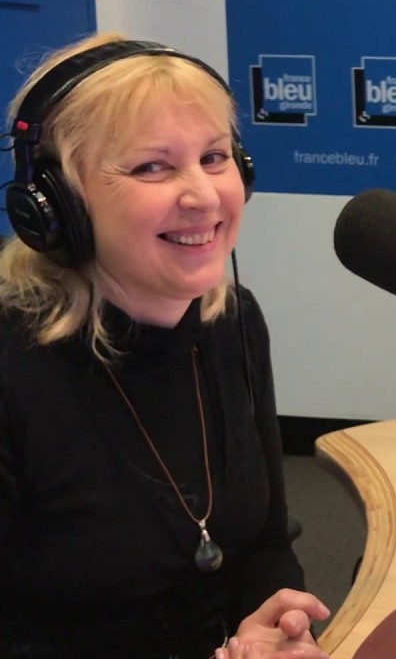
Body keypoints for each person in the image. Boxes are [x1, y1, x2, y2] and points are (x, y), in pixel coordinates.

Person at [0, 33, 329, 659]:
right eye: (152, 166)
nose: (203, 196)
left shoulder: (232, 323)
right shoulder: (13, 369)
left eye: (214, 157)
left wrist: (277, 620)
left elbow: (262, 540)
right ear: (57, 204)